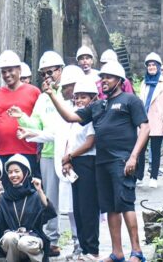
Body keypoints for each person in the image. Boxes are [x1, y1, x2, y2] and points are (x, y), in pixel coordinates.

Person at [49, 60, 150, 262]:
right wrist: (52, 95)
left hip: (122, 160)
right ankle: (117, 252)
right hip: (101, 163)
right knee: (110, 207)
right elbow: (70, 117)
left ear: (119, 80)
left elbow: (145, 128)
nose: (104, 80)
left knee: (126, 205)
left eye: (109, 77)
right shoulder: (98, 106)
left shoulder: (130, 101)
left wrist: (133, 156)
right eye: (102, 77)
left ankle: (136, 252)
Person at [15, 58, 79, 257]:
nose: (47, 77)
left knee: (72, 201)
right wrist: (22, 118)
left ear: (60, 70)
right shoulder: (43, 98)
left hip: (72, 156)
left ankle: (79, 241)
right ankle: (52, 240)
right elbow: (38, 125)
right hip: (49, 153)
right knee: (50, 199)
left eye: (50, 72)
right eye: (42, 74)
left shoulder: (72, 94)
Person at [54, 79, 100, 260]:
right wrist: (68, 161)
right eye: (77, 97)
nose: (80, 101)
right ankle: (82, 248)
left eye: (84, 97)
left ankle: (92, 249)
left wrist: (70, 156)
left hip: (88, 162)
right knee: (78, 208)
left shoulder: (92, 115)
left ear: (92, 98)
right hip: (75, 162)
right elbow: (70, 140)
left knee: (88, 208)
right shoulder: (75, 115)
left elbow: (89, 143)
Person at [0, 154, 57, 262]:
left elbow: (50, 213)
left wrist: (40, 190)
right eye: (10, 172)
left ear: (25, 172)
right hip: (11, 241)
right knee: (10, 237)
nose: (13, 175)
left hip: (32, 240)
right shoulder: (4, 197)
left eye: (16, 171)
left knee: (23, 242)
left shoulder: (34, 195)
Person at [0, 50, 42, 176]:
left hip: (28, 150)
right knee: (6, 191)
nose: (7, 74)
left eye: (10, 70)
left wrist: (40, 148)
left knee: (29, 189)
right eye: (4, 71)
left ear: (19, 70)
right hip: (3, 151)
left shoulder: (34, 92)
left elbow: (40, 122)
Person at [137, 53, 163, 189]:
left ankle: (154, 176)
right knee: (140, 150)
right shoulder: (143, 82)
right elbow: (140, 102)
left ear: (158, 66)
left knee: (155, 151)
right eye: (149, 65)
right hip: (144, 120)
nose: (151, 67)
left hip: (158, 120)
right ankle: (139, 176)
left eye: (153, 65)